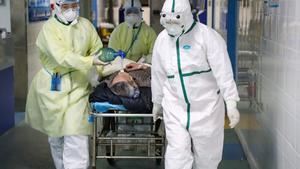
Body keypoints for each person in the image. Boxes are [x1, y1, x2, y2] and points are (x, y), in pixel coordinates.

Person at [151, 0, 240, 168]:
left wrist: (231, 102)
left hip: (206, 109)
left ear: (185, 16)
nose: (170, 26)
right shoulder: (162, 40)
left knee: (207, 159)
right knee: (176, 159)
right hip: (175, 107)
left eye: (175, 21)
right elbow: (158, 74)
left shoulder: (207, 37)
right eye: (167, 22)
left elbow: (224, 72)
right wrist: (157, 102)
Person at [25, 0, 107, 168]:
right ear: (56, 6)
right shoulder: (49, 29)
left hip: (78, 86)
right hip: (54, 87)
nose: (71, 10)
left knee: (76, 134)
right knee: (56, 137)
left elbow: (97, 48)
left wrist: (97, 63)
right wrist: (90, 60)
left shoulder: (85, 25)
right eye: (66, 6)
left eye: (74, 6)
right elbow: (62, 56)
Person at [106, 0, 157, 75]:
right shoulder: (118, 31)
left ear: (141, 13)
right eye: (129, 12)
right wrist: (119, 59)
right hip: (120, 69)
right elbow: (110, 54)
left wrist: (143, 61)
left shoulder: (149, 32)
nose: (132, 15)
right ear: (124, 12)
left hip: (141, 69)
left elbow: (155, 54)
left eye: (135, 12)